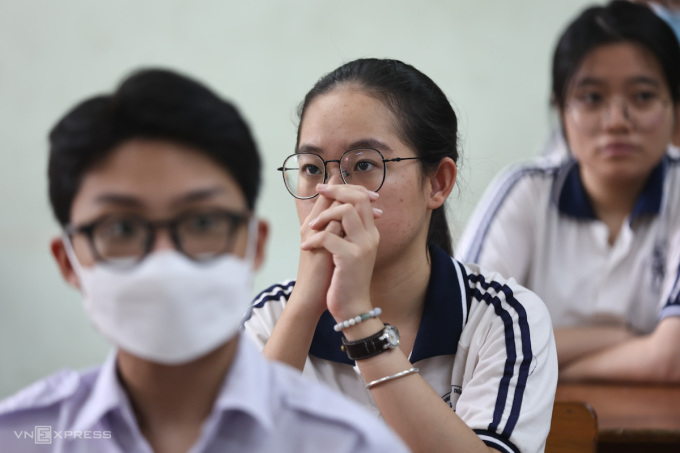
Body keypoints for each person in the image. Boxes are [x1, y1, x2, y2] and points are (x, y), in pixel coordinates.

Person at [0, 68, 409, 453]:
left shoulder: (350, 444)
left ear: (254, 243)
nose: (164, 260)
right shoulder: (23, 436)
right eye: (122, 229)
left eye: (201, 222)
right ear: (69, 260)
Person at [243, 58, 558, 453]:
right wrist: (305, 305)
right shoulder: (271, 316)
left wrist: (358, 320)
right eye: (312, 168)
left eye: (363, 165)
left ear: (437, 183)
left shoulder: (502, 319)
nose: (333, 193)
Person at [456, 1, 680, 383]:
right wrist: (622, 339)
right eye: (592, 98)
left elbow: (671, 359)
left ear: (676, 105)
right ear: (560, 110)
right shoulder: (524, 191)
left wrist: (549, 372)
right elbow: (466, 339)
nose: (616, 122)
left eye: (642, 96)